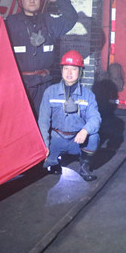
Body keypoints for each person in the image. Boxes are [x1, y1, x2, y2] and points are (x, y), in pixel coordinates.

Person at [6, 0, 78, 115]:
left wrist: (59, 1)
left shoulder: (49, 21)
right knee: (20, 118)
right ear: (21, 1)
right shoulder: (11, 23)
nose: (32, 0)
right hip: (20, 83)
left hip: (44, 83)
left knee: (43, 119)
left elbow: (71, 18)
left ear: (41, 0)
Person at [38, 50, 101, 182]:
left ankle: (84, 165)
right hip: (56, 138)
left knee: (94, 137)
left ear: (80, 72)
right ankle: (53, 162)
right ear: (61, 70)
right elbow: (43, 121)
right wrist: (44, 144)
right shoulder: (50, 92)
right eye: (66, 68)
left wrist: (85, 131)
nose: (69, 73)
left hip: (77, 140)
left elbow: (95, 118)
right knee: (42, 166)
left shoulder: (88, 95)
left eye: (74, 69)